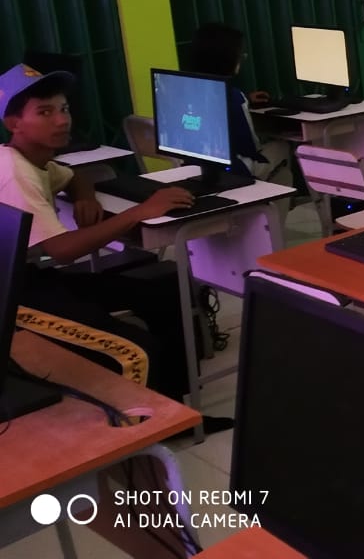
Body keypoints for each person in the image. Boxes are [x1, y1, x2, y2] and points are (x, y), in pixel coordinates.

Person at [0, 65, 233, 430]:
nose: (62, 120)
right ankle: (144, 436)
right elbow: (62, 250)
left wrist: (85, 196)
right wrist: (141, 211)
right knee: (135, 350)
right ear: (14, 123)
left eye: (64, 108)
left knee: (164, 288)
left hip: (32, 279)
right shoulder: (14, 173)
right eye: (45, 112)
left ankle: (176, 413)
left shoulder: (33, 160)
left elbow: (73, 176)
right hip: (12, 300)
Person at [184, 22, 292, 184]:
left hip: (195, 165)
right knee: (282, 146)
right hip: (237, 169)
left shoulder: (186, 89)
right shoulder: (233, 97)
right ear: (227, 59)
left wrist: (247, 100)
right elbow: (251, 147)